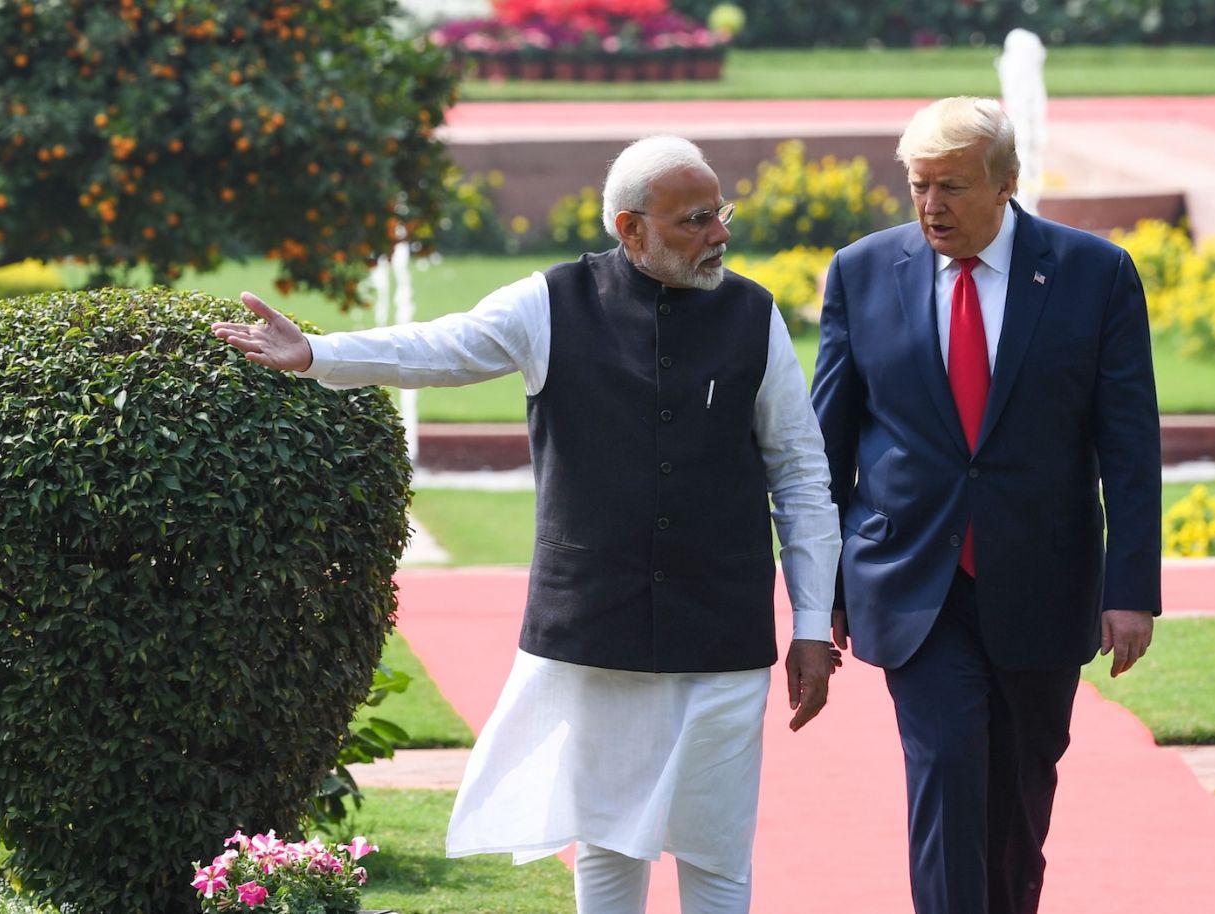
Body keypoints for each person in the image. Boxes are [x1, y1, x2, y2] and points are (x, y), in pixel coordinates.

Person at [213, 135, 842, 914]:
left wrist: (812, 623)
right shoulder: (550, 303)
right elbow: (439, 348)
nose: (719, 234)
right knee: (607, 843)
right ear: (630, 227)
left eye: (721, 215)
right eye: (696, 220)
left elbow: (802, 475)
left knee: (717, 853)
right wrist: (316, 354)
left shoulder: (754, 314)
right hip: (596, 631)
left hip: (723, 633)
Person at [810, 97, 1161, 914]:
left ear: (1007, 182)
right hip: (910, 582)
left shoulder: (1094, 274)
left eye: (954, 187)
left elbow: (1130, 448)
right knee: (946, 774)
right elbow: (823, 450)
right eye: (919, 186)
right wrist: (817, 594)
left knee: (1016, 806)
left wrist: (1132, 589)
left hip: (1044, 578)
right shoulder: (860, 272)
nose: (932, 206)